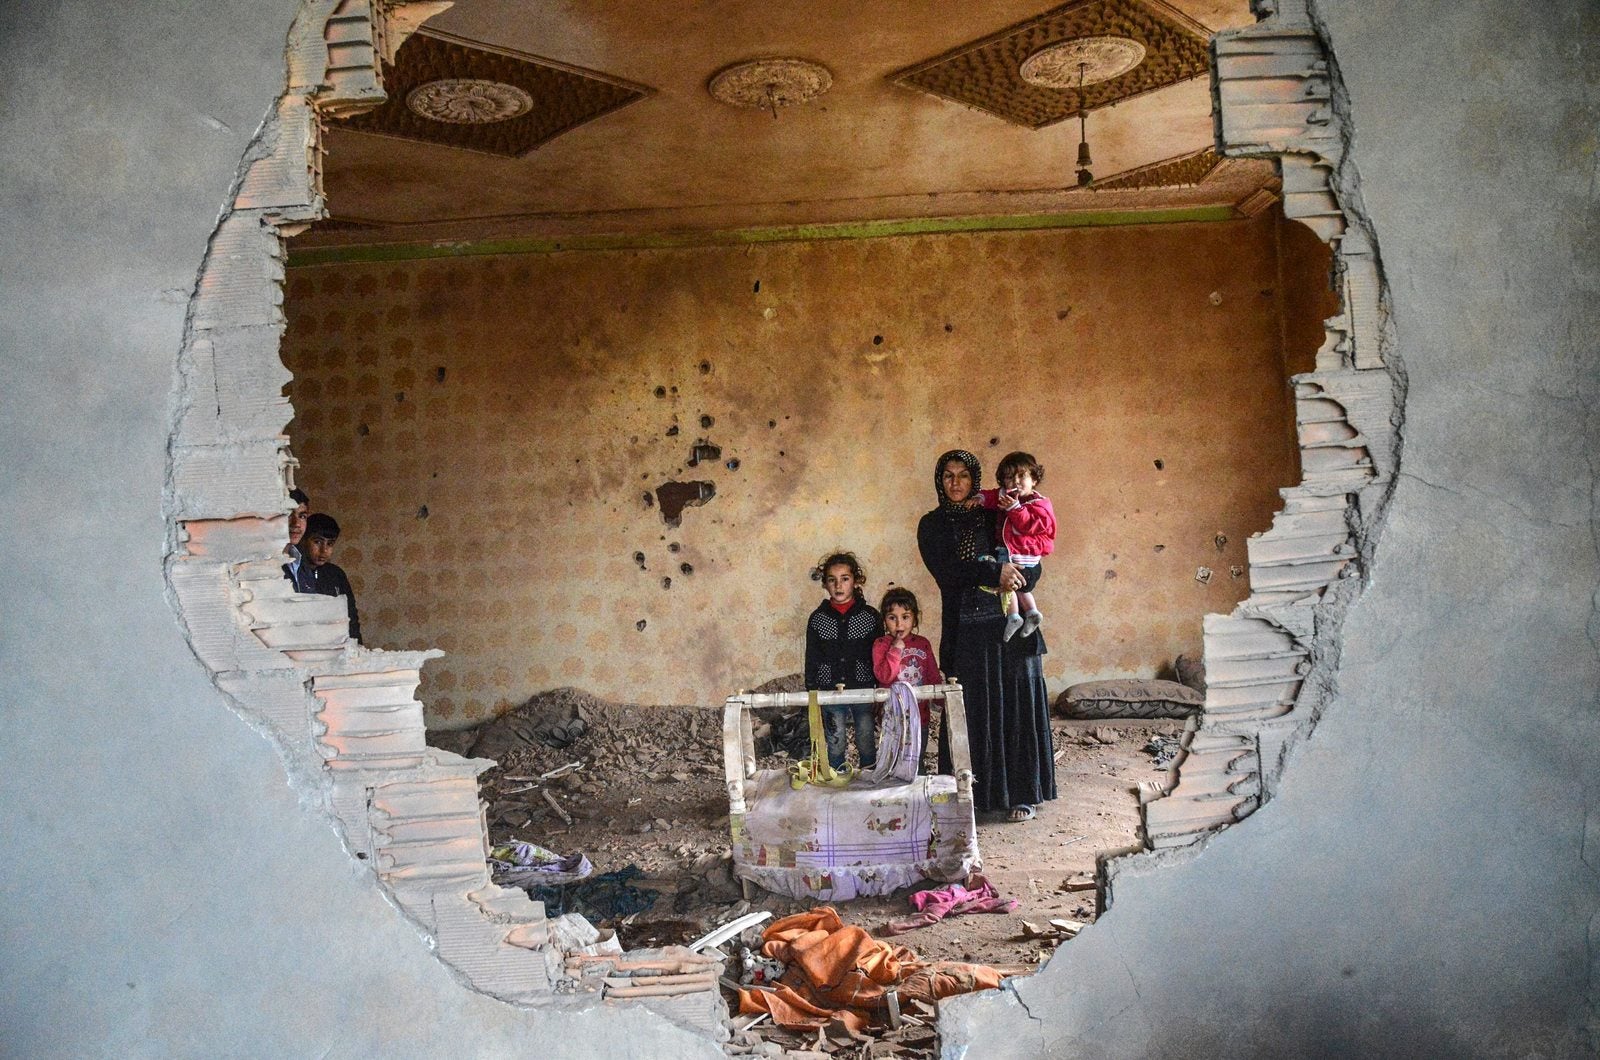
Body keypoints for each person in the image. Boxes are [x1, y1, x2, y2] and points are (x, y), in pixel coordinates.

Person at [917, 450, 1056, 821]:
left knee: (1016, 708)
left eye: (964, 475)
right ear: (939, 481)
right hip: (967, 630)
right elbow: (948, 573)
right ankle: (971, 796)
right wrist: (995, 574)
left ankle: (1021, 794)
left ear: (975, 479)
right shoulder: (932, 525)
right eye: (948, 476)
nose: (956, 483)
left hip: (1012, 630)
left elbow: (1032, 556)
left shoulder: (997, 511)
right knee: (973, 709)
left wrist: (1020, 574)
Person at [802, 552, 881, 772]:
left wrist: (880, 689)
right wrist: (812, 690)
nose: (838, 585)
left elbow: (878, 655)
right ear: (825, 584)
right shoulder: (818, 619)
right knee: (835, 742)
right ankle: (837, 785)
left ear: (855, 581)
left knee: (866, 739)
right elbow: (812, 656)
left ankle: (868, 781)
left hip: (863, 688)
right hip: (829, 689)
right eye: (832, 579)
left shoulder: (870, 616)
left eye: (845, 578)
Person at [968, 451, 1056, 641]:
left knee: (1013, 583)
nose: (1015, 481)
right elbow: (992, 496)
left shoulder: (1039, 504)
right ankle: (1029, 613)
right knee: (1014, 584)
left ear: (1034, 480)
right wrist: (981, 498)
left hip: (1024, 553)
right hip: (1008, 550)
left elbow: (1031, 525)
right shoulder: (1006, 496)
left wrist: (1015, 509)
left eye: (1021, 476)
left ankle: (1016, 616)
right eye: (1009, 477)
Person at [872, 586, 942, 773]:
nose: (899, 624)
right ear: (885, 620)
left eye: (905, 617)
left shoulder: (923, 643)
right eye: (892, 618)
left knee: (916, 762)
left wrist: (942, 700)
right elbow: (884, 676)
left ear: (914, 618)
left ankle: (917, 800)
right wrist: (896, 649)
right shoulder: (881, 645)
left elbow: (932, 675)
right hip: (892, 718)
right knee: (894, 763)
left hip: (920, 716)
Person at [302, 513, 362, 644]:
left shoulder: (336, 574)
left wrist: (357, 650)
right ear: (304, 539)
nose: (324, 550)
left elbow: (351, 618)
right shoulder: (291, 573)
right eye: (317, 542)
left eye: (330, 544)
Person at [282, 488, 315, 592]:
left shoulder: (302, 561)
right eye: (288, 515)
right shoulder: (261, 564)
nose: (296, 523)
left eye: (302, 516)